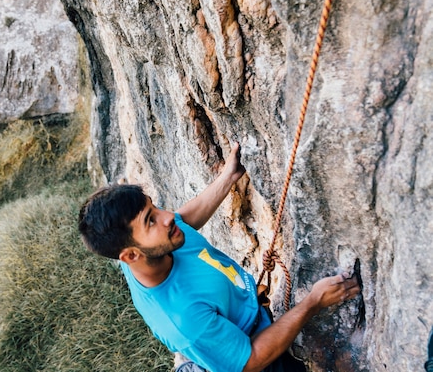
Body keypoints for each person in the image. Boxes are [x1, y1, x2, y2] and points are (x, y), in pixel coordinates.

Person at [78, 142, 361, 372]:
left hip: (236, 324)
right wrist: (313, 302)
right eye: (151, 220)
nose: (167, 218)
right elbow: (252, 360)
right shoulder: (183, 319)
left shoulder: (156, 246)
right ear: (130, 255)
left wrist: (228, 177)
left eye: (156, 208)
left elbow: (186, 218)